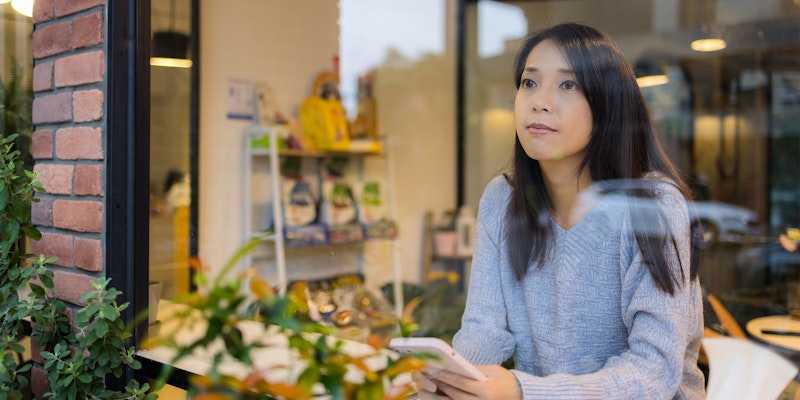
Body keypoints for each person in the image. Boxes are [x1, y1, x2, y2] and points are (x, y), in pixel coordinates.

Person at [414, 23, 705, 399]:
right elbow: (485, 329)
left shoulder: (653, 207)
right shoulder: (502, 198)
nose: (539, 101)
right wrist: (448, 379)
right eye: (529, 83)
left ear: (607, 103)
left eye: (568, 85)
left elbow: (653, 375)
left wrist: (522, 391)